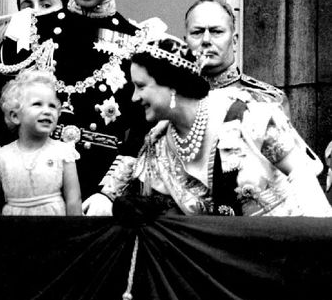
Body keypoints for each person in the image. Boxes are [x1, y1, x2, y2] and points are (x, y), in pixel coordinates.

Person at [0, 0, 154, 216]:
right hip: (22, 193)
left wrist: (110, 194)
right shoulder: (28, 29)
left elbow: (141, 129)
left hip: (96, 196)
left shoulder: (138, 41)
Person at [97, 35, 331, 217]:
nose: (134, 98)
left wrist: (317, 243)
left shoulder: (246, 116)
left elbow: (302, 174)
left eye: (141, 86)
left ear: (171, 85)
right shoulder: (159, 147)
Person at [0, 69, 81, 216]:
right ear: (15, 116)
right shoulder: (0, 157)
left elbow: (74, 199)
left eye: (52, 106)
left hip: (56, 228)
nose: (47, 111)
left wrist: (76, 235)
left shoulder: (63, 153)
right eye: (37, 104)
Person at [184, 0, 289, 113]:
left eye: (216, 31)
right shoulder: (169, 99)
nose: (206, 40)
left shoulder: (267, 100)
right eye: (197, 32)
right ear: (185, 42)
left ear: (234, 41)